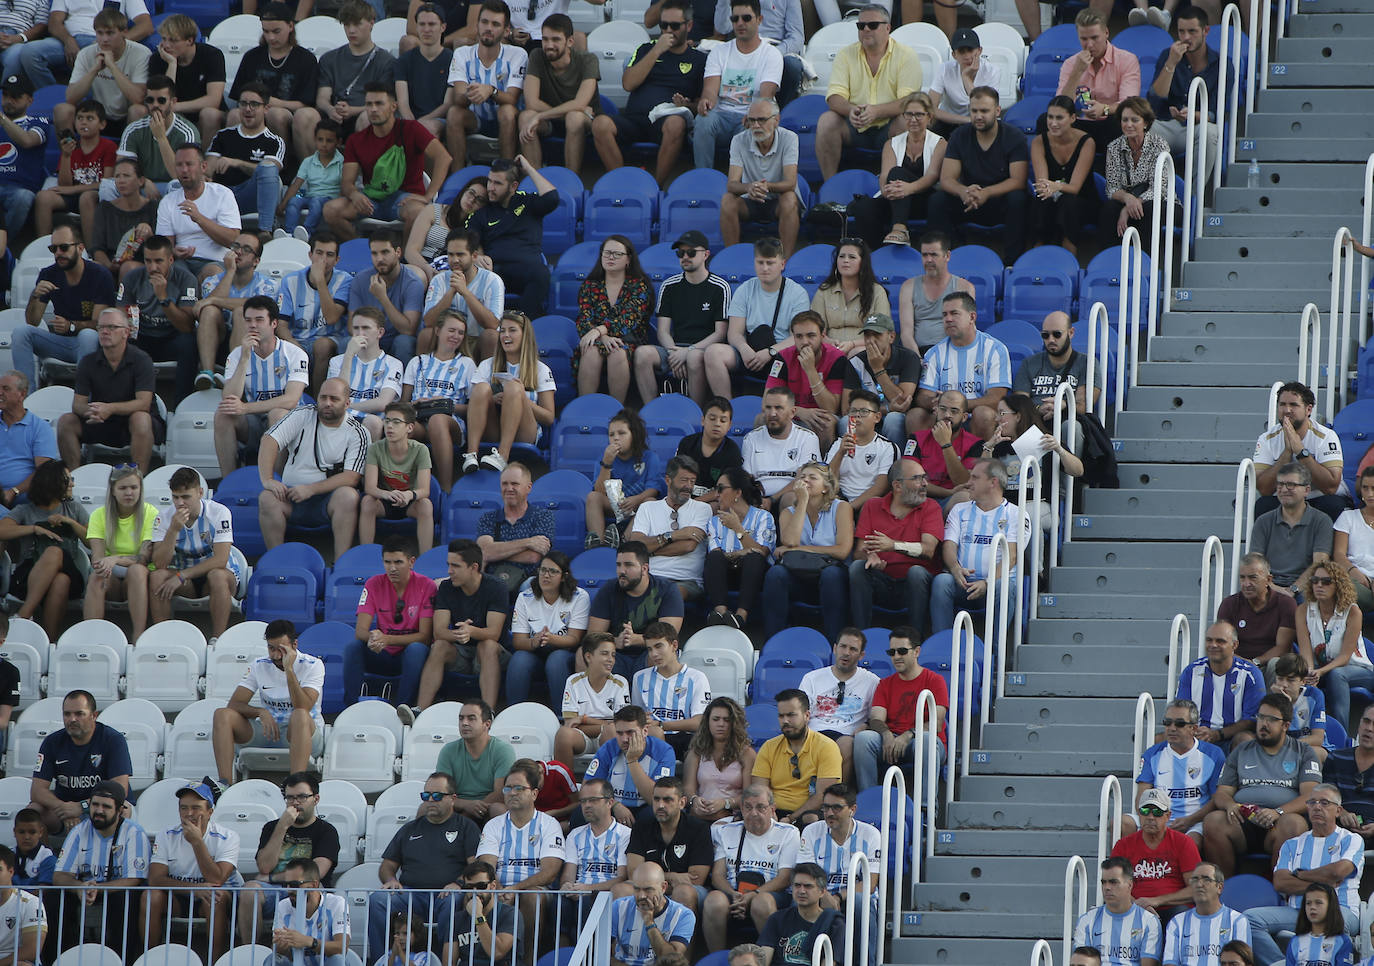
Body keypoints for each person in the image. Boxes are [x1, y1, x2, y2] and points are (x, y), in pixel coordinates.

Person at [1201, 692, 1321, 877]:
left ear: (1286, 725)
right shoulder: (1241, 751)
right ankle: (1224, 889)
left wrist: (1278, 812)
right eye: (1261, 717)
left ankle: (1280, 889)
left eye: (1271, 719)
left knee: (1294, 824)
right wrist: (1230, 805)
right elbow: (1222, 793)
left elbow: (1310, 797)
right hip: (1244, 820)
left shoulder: (1303, 752)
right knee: (1213, 821)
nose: (1263, 724)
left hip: (1280, 821)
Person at [368, 773, 481, 962]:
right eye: (425, 796)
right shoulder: (410, 829)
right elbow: (387, 866)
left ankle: (446, 962)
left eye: (437, 796)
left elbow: (475, 867)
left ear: (452, 799)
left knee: (452, 901)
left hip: (446, 894)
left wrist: (459, 883)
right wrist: (391, 880)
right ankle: (382, 961)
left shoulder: (466, 827)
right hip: (411, 894)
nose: (430, 800)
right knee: (378, 900)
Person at [1244, 784, 1361, 966]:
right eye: (1312, 802)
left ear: (1338, 811)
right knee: (1250, 919)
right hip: (1298, 912)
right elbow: (1281, 882)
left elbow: (1339, 871)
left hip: (1340, 909)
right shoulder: (1292, 844)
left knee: (1335, 920)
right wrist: (1325, 886)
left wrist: (1300, 875)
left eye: (1324, 802)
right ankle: (1282, 963)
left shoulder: (1350, 839)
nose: (1317, 807)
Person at [590, 0, 705, 187]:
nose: (668, 30)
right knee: (600, 124)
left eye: (674, 26)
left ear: (689, 26)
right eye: (664, 25)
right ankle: (624, 185)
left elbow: (701, 103)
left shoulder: (699, 59)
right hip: (634, 119)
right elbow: (628, 83)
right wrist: (657, 50)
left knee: (676, 123)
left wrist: (686, 106)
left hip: (667, 121)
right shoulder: (645, 49)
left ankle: (655, 188)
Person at [326, 83, 451, 247]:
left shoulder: (412, 129)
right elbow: (347, 183)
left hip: (405, 198)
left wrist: (428, 196)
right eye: (369, 104)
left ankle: (404, 261)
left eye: (379, 103)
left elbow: (444, 157)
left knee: (419, 213)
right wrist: (355, 195)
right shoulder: (356, 140)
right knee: (331, 210)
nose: (373, 109)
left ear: (393, 106)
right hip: (372, 199)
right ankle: (365, 253)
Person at [257, 378, 369, 561]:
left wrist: (310, 489)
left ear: (347, 403)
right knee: (267, 497)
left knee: (349, 496)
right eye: (323, 397)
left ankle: (340, 564)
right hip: (290, 495)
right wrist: (267, 480)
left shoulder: (358, 432)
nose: (327, 403)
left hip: (328, 500)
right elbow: (269, 440)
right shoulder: (302, 414)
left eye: (334, 399)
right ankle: (275, 560)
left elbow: (352, 477)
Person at [212, 620, 325, 785]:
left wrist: (289, 670)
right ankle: (224, 784)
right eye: (271, 648)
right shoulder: (259, 665)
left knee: (299, 715)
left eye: (281, 649)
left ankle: (296, 786)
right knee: (222, 715)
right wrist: (260, 712)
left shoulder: (313, 665)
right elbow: (234, 704)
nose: (275, 655)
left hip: (302, 733)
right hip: (268, 729)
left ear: (294, 645)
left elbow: (303, 707)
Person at [815, 6, 921, 183]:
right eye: (861, 26)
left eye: (872, 25)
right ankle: (829, 186)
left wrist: (876, 111)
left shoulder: (906, 55)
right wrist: (851, 110)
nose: (865, 29)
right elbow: (834, 97)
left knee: (907, 120)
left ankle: (900, 184)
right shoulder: (845, 54)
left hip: (889, 125)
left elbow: (909, 102)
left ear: (887, 28)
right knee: (827, 121)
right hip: (854, 125)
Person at [237, 773, 341, 949]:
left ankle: (307, 950)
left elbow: (315, 872)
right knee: (249, 891)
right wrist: (282, 827)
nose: (295, 802)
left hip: (308, 889)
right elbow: (265, 866)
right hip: (275, 891)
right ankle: (250, 952)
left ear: (315, 799)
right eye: (290, 797)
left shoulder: (327, 831)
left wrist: (271, 878)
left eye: (301, 796)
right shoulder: (272, 827)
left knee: (308, 888)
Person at [142, 780, 241, 962]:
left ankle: (215, 961)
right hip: (179, 896)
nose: (189, 814)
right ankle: (151, 959)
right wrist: (195, 888)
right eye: (183, 808)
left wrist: (197, 842)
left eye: (196, 808)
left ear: (210, 812)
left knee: (214, 896)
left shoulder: (228, 837)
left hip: (216, 899)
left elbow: (217, 878)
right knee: (150, 896)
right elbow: (155, 879)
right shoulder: (166, 835)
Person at [51, 780, 149, 959]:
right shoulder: (79, 831)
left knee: (125, 898)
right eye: (95, 804)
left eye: (106, 806)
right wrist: (79, 888)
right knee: (54, 897)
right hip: (84, 888)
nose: (99, 811)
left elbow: (134, 879)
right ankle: (57, 959)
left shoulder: (134, 833)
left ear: (120, 810)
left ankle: (123, 959)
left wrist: (96, 888)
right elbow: (59, 876)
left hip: (114, 892)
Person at [214, 295, 308, 478]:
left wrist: (246, 407)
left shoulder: (295, 354)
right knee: (223, 414)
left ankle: (275, 480)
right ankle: (230, 481)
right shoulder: (237, 355)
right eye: (248, 320)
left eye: (259, 320)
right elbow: (229, 396)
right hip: (253, 422)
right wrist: (244, 359)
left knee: (277, 414)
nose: (252, 325)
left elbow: (291, 399)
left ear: (273, 323)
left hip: (290, 420)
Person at [928, 86, 1028, 261]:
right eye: (974, 111)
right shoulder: (959, 135)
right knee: (938, 201)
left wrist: (986, 192)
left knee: (1018, 199)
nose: (978, 116)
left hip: (999, 199)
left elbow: (1018, 180)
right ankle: (949, 256)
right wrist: (963, 191)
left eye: (984, 111)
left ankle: (1013, 262)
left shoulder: (1014, 136)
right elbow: (946, 179)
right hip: (969, 199)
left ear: (997, 111)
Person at [13, 224, 114, 391]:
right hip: (61, 343)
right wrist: (35, 295)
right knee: (21, 333)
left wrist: (71, 325)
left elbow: (101, 324)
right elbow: (32, 322)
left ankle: (84, 400)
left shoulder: (99, 275)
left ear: (80, 248)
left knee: (87, 335)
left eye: (64, 247)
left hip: (94, 344)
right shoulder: (48, 274)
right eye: (54, 248)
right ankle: (26, 399)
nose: (58, 253)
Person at [635, 231, 730, 406]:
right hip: (674, 348)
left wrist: (689, 351)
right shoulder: (669, 285)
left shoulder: (720, 287)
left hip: (704, 349)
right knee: (642, 354)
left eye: (691, 252)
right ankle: (652, 410)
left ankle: (696, 412)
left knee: (694, 357)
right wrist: (674, 353)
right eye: (681, 253)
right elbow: (663, 331)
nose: (685, 257)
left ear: (706, 255)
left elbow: (720, 333)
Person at [413, 538, 508, 713]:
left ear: (474, 567)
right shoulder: (447, 588)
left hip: (492, 654)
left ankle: (489, 712)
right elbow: (439, 631)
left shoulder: (497, 588)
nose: (449, 571)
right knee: (439, 646)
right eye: (449, 565)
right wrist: (460, 634)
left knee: (487, 645)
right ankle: (420, 711)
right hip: (460, 652)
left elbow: (494, 633)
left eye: (455, 566)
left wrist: (470, 631)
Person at [762, 462, 854, 641]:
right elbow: (790, 541)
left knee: (832, 575)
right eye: (802, 477)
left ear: (826, 488)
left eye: (812, 478)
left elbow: (842, 551)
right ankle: (773, 641)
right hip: (799, 575)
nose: (805, 481)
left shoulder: (841, 508)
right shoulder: (788, 512)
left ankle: (834, 641)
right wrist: (802, 502)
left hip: (830, 574)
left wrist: (800, 549)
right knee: (775, 573)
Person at [702, 784, 800, 952]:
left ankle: (773, 960)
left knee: (761, 902)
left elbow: (785, 878)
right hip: (734, 892)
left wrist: (753, 895)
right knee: (713, 900)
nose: (754, 813)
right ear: (741, 808)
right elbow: (718, 875)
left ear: (772, 809)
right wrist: (735, 895)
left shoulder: (788, 833)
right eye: (748, 807)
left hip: (771, 894)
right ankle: (716, 959)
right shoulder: (726, 831)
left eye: (761, 807)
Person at [475, 760, 566, 939]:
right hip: (498, 888)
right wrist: (500, 890)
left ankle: (528, 959)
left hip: (535, 889)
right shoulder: (494, 825)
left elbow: (550, 873)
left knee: (532, 896)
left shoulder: (549, 824)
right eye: (507, 788)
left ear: (534, 793)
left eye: (519, 788)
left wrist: (516, 889)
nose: (512, 793)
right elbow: (487, 868)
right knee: (476, 896)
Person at [0, 462, 91, 640]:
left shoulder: (74, 509)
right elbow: (2, 530)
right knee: (60, 580)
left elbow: (91, 541)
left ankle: (24, 614)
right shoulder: (25, 510)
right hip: (28, 575)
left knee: (54, 554)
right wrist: (34, 529)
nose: (72, 483)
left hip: (71, 571)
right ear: (52, 482)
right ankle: (49, 642)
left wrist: (70, 522)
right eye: (67, 480)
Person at [849, 460, 943, 631]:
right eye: (917, 478)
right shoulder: (872, 505)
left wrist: (893, 545)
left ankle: (917, 638)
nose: (925, 484)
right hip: (882, 580)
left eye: (924, 477)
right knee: (857, 567)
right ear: (898, 486)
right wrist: (870, 557)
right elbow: (858, 552)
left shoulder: (931, 507)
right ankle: (860, 635)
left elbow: (928, 550)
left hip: (915, 585)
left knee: (916, 572)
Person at [932, 459, 1023, 632]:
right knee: (942, 581)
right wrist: (954, 568)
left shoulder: (1016, 514)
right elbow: (949, 545)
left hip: (994, 586)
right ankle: (941, 645)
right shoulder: (959, 509)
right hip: (962, 582)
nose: (968, 483)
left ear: (993, 482)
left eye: (975, 478)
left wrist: (987, 582)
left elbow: (1011, 556)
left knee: (1003, 586)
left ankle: (997, 653)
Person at [847, 91, 944, 251]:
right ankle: (876, 256)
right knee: (864, 207)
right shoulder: (891, 143)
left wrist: (909, 188)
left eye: (919, 115)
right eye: (909, 114)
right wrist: (889, 191)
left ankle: (900, 228)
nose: (913, 119)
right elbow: (884, 177)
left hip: (923, 200)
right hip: (895, 198)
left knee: (897, 173)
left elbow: (933, 176)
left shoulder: (939, 143)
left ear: (929, 117)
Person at [148, 467, 238, 641]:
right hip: (186, 581)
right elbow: (159, 563)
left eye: (186, 497)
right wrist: (173, 530)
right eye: (176, 497)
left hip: (219, 576)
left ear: (200, 492)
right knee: (157, 576)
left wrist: (182, 575)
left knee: (217, 575)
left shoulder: (219, 512)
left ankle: (218, 640)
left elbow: (220, 559)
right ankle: (161, 638)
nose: (180, 503)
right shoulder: (164, 518)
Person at [461, 311, 556, 474]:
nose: (506, 335)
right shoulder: (486, 365)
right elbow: (473, 404)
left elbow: (549, 418)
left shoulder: (540, 369)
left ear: (524, 335)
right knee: (482, 388)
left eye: (512, 330)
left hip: (524, 432)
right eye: (502, 331)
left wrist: (520, 398)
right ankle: (471, 455)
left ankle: (502, 456)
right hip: (492, 427)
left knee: (513, 387)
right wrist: (492, 398)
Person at [692, 0, 782, 170]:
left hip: (750, 116)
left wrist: (752, 116)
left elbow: (765, 97)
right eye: (735, 19)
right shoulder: (719, 51)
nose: (740, 23)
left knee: (753, 124)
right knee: (703, 120)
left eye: (746, 18)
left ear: (759, 19)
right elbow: (710, 90)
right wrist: (705, 101)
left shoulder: (771, 54)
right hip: (721, 115)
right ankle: (703, 176)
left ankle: (741, 183)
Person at [348, 537, 437, 707]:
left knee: (417, 649)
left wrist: (388, 639)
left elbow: (425, 637)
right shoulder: (373, 583)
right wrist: (373, 638)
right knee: (353, 647)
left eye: (398, 562)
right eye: (387, 562)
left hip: (410, 655)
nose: (392, 568)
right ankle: (352, 706)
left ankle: (404, 708)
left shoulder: (427, 585)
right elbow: (360, 631)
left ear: (411, 562)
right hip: (382, 652)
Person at [112, 232, 200, 403]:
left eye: (158, 261)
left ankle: (182, 403)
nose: (152, 267)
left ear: (171, 260)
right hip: (142, 336)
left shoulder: (186, 279)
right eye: (148, 261)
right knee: (117, 337)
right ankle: (121, 399)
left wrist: (163, 299)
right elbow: (121, 315)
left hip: (172, 337)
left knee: (189, 342)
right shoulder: (133, 277)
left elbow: (186, 326)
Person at [854, 627, 948, 786]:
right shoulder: (885, 684)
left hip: (921, 742)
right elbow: (876, 718)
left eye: (902, 651)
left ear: (916, 652)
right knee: (864, 739)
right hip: (890, 741)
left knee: (926, 740)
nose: (896, 657)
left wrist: (908, 734)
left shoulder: (934, 680)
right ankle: (867, 799)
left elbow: (937, 723)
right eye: (892, 652)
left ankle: (925, 807)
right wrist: (886, 733)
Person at [228, 4, 321, 163]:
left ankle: (283, 165)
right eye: (266, 31)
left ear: (290, 26)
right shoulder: (252, 56)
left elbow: (308, 103)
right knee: (234, 115)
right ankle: (235, 168)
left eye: (276, 31)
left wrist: (277, 103)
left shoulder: (305, 59)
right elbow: (239, 94)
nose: (271, 37)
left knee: (276, 114)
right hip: (255, 108)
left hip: (288, 113)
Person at [467, 158, 559, 316]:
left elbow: (552, 198)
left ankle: (523, 324)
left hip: (527, 269)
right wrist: (479, 255)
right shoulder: (481, 213)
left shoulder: (528, 202)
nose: (490, 188)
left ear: (513, 186)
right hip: (495, 270)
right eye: (489, 181)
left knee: (541, 273)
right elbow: (471, 240)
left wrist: (529, 168)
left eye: (497, 183)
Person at [913, 292, 1010, 440]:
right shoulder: (934, 353)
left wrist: (955, 407)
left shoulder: (995, 349)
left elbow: (996, 398)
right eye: (944, 315)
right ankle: (923, 462)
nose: (948, 319)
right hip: (943, 416)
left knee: (983, 413)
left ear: (972, 317)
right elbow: (923, 396)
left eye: (954, 313)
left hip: (975, 415)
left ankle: (980, 461)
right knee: (916, 415)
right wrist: (934, 403)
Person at [444, 1, 527, 168]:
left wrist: (490, 90)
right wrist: (472, 93)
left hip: (509, 120)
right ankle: (457, 177)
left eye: (495, 24)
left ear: (506, 31)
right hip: (476, 119)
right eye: (484, 22)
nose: (488, 28)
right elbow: (458, 99)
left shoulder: (518, 54)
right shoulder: (462, 53)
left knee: (507, 111)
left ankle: (507, 173)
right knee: (454, 113)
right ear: (477, 24)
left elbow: (512, 98)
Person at [1131, 699, 1226, 844]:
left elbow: (1216, 799)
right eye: (1167, 723)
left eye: (1180, 724)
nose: (1172, 728)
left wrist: (1189, 821)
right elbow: (1141, 797)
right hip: (1157, 818)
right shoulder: (1152, 754)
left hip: (1194, 821)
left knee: (1190, 842)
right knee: (1123, 823)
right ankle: (1117, 866)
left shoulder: (1213, 755)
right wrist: (1154, 820)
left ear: (1194, 728)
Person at [586, 543, 686, 678]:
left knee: (663, 651)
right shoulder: (608, 589)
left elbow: (669, 636)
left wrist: (636, 639)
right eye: (618, 565)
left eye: (628, 565)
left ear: (644, 568)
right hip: (616, 653)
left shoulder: (667, 589)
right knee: (586, 653)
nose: (621, 571)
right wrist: (615, 641)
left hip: (649, 653)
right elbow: (593, 636)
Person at [1253, 383, 1348, 523]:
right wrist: (1287, 453)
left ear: (1308, 409)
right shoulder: (1267, 439)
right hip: (1285, 499)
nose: (1287, 410)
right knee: (1264, 505)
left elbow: (1331, 487)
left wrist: (1301, 452)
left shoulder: (1326, 436)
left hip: (1320, 499)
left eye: (1294, 405)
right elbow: (1264, 489)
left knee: (1333, 504)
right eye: (1282, 404)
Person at [1149, 6, 1223, 183]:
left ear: (1206, 31)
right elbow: (1154, 101)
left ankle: (1194, 196)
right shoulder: (1168, 55)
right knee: (1139, 127)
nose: (1186, 37)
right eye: (1181, 31)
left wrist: (1193, 114)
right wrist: (1171, 64)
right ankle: (1151, 191)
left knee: (1211, 131)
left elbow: (1215, 112)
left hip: (1196, 127)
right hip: (1166, 123)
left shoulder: (1221, 64)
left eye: (1192, 31)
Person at [195, 234, 281, 388]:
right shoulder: (212, 281)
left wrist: (214, 300)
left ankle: (233, 375)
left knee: (242, 312)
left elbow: (257, 307)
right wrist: (229, 272)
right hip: (216, 337)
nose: (238, 252)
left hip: (253, 341)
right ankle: (207, 374)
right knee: (209, 311)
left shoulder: (268, 285)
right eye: (235, 247)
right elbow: (203, 308)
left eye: (246, 249)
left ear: (256, 261)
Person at [402, 315, 476, 493]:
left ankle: (446, 489)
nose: (456, 336)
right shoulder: (417, 362)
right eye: (451, 330)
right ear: (437, 331)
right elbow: (403, 405)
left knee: (437, 420)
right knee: (399, 426)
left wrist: (444, 405)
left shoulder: (467, 364)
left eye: (460, 333)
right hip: (419, 420)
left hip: (451, 423)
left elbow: (474, 410)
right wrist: (416, 403)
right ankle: (400, 487)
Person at [517, 14, 598, 174]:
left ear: (570, 41)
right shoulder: (537, 55)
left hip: (584, 120)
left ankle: (571, 179)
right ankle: (535, 180)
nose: (549, 45)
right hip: (552, 119)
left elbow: (580, 104)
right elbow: (532, 102)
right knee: (526, 116)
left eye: (555, 39)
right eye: (545, 39)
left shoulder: (588, 60)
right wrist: (558, 113)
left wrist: (541, 116)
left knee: (574, 117)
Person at [507, 550, 589, 707]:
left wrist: (550, 638)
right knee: (519, 660)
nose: (546, 575)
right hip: (535, 651)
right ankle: (513, 713)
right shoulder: (525, 597)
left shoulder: (579, 597)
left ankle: (563, 715)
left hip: (566, 653)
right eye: (543, 570)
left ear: (564, 576)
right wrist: (534, 642)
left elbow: (574, 639)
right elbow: (518, 641)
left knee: (556, 660)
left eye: (553, 571)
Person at [576, 236, 654, 401]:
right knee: (590, 351)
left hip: (630, 341)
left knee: (617, 352)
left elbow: (628, 319)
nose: (611, 257)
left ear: (628, 259)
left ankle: (616, 409)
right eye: (607, 253)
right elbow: (584, 319)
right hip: (596, 341)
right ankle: (584, 407)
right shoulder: (590, 285)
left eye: (617, 254)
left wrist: (599, 330)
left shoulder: (639, 286)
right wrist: (602, 336)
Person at [721, 98, 801, 258]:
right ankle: (731, 258)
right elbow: (732, 184)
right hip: (750, 200)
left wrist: (765, 186)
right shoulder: (738, 140)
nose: (756, 125)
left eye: (762, 120)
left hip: (778, 201)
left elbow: (790, 183)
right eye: (752, 120)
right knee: (727, 200)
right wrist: (749, 188)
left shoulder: (789, 138)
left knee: (790, 199)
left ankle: (786, 260)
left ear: (776, 120)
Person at [1294, 561, 1368, 734]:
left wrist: (1320, 672)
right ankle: (1301, 731)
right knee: (1300, 675)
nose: (1319, 585)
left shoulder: (1353, 612)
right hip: (1323, 668)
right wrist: (1311, 671)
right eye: (1315, 580)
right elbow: (1305, 651)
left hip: (1357, 668)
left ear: (1338, 585)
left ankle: (1340, 735)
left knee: (1337, 675)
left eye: (1326, 581)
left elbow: (1344, 657)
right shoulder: (1302, 610)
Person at [83, 464, 155, 639]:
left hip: (140, 576)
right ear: (113, 491)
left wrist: (115, 559)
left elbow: (143, 559)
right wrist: (109, 562)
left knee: (137, 570)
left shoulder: (150, 512)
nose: (129, 492)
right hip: (111, 576)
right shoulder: (99, 515)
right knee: (96, 576)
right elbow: (98, 560)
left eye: (134, 487)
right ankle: (90, 636)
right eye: (123, 488)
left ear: (140, 489)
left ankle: (138, 635)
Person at [622, 777, 714, 913]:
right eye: (656, 799)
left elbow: (696, 879)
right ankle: (626, 934)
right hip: (648, 888)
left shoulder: (698, 828)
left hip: (691, 891)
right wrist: (672, 877)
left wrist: (655, 882)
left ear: (682, 803)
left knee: (683, 891)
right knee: (621, 889)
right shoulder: (642, 826)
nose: (660, 805)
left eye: (667, 800)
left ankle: (680, 935)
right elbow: (634, 873)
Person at [156, 142, 241, 287]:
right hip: (181, 262)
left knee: (212, 274)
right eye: (179, 165)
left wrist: (199, 218)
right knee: (170, 273)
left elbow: (232, 240)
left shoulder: (222, 194)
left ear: (203, 167)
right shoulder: (168, 202)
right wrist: (174, 252)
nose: (184, 170)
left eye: (189, 164)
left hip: (214, 260)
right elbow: (165, 246)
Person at [626, 456, 712, 599]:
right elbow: (636, 547)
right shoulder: (647, 507)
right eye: (684, 480)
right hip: (649, 577)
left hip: (685, 581)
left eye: (692, 481)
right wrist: (674, 535)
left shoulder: (703, 509)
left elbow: (688, 546)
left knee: (668, 595)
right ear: (668, 480)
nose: (689, 486)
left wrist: (650, 552)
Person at [1057, 9, 1140, 156]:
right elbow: (1060, 106)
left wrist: (1105, 109)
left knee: (1121, 120)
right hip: (1080, 124)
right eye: (1084, 39)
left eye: (1094, 38)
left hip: (1109, 122)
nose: (1089, 45)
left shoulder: (1127, 60)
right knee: (1047, 121)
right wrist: (1077, 72)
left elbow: (1129, 104)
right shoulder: (1071, 64)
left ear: (1106, 33)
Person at [753, 690, 842, 827]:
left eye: (791, 715)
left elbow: (823, 796)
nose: (785, 721)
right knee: (746, 816)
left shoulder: (826, 747)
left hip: (809, 812)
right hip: (773, 811)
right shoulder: (769, 747)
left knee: (811, 819)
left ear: (807, 715)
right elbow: (759, 789)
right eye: (781, 716)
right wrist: (768, 812)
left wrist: (790, 818)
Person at [205, 84, 286, 236]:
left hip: (249, 196)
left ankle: (265, 232)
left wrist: (237, 163)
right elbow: (208, 169)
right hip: (221, 195)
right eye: (243, 104)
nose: (248, 109)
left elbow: (271, 172)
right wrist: (207, 175)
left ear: (266, 108)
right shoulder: (223, 136)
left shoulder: (274, 141)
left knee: (268, 169)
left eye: (254, 104)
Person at [277, 231, 354, 387]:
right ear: (310, 254)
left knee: (322, 345)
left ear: (337, 260)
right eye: (319, 253)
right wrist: (294, 346)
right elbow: (281, 324)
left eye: (330, 255)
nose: (323, 259)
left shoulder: (345, 280)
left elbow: (332, 318)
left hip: (331, 338)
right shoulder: (290, 280)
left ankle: (319, 400)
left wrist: (320, 281)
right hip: (298, 339)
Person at [703, 466, 775, 629]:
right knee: (714, 559)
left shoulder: (763, 517)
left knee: (754, 559)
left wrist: (738, 529)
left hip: (754, 574)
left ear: (738, 493)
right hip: (726, 573)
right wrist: (742, 551)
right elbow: (716, 553)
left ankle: (740, 617)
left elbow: (761, 552)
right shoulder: (714, 521)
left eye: (721, 489)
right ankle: (721, 614)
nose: (716, 495)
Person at [1110, 789, 1201, 917]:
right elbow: (1113, 884)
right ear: (1139, 813)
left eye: (1157, 812)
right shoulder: (1123, 845)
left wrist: (1157, 901)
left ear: (1168, 816)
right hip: (1132, 908)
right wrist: (1138, 906)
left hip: (1173, 909)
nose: (1150, 817)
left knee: (1180, 917)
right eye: (1145, 811)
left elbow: (1196, 888)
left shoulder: (1183, 842)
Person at [1174, 622, 1264, 751]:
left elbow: (1250, 721)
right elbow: (1181, 712)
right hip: (1196, 737)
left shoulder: (1250, 674)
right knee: (1160, 739)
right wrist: (1195, 732)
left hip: (1231, 738)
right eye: (1209, 640)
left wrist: (1217, 734)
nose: (1213, 645)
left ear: (1234, 645)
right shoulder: (1191, 671)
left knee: (1245, 739)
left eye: (1220, 641)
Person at [764, 311, 847, 450]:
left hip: (820, 416)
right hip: (791, 415)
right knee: (761, 419)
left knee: (826, 422)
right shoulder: (782, 358)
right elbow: (767, 401)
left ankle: (821, 469)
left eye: (811, 335)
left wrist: (810, 370)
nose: (805, 342)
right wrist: (798, 411)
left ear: (823, 335)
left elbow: (831, 408)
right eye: (799, 336)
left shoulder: (837, 358)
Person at [359, 402, 435, 552]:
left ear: (410, 427)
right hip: (384, 499)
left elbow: (425, 490)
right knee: (367, 501)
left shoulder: (421, 450)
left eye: (396, 422)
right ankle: (365, 553)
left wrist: (409, 495)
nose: (389, 426)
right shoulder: (375, 448)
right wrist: (387, 494)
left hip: (409, 502)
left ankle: (426, 556)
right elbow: (370, 487)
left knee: (426, 504)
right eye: (387, 421)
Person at [315, 1, 397, 140]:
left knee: (368, 116)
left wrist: (353, 111)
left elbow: (384, 102)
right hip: (334, 116)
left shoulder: (386, 61)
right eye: (347, 25)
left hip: (365, 113)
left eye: (357, 24)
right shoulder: (329, 58)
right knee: (305, 116)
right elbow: (322, 97)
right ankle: (311, 162)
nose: (351, 30)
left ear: (371, 23)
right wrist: (331, 109)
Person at [584, 705, 677, 826]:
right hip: (612, 806)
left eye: (630, 732)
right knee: (581, 813)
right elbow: (587, 788)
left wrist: (632, 760)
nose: (624, 739)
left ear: (645, 731)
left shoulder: (663, 751)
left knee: (655, 814)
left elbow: (658, 799)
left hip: (646, 807)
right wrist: (614, 805)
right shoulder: (609, 748)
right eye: (619, 733)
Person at [1101, 98, 1175, 250]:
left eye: (1134, 120)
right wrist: (1128, 199)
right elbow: (1112, 188)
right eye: (1125, 120)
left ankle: (1146, 264)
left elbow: (1159, 188)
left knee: (1148, 210)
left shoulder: (1159, 145)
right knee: (1109, 209)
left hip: (1160, 200)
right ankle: (1111, 260)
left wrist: (1130, 206)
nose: (1129, 125)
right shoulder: (1114, 147)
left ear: (1146, 123)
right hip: (1128, 200)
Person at [38, 99, 117, 240]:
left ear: (102, 124)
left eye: (90, 118)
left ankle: (91, 251)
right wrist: (66, 156)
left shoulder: (108, 146)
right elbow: (64, 185)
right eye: (80, 118)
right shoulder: (71, 145)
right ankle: (43, 246)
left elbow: (107, 182)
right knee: (43, 197)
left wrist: (74, 190)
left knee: (85, 198)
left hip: (95, 196)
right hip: (73, 195)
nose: (83, 122)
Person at [345, 233, 426, 368]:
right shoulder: (360, 280)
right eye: (374, 253)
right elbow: (351, 326)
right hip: (369, 337)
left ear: (398, 252)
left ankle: (402, 387)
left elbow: (408, 330)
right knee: (347, 343)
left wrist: (383, 298)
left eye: (385, 252)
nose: (380, 259)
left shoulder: (412, 283)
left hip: (397, 338)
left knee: (404, 342)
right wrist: (371, 339)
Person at [1252, 462, 1335, 593]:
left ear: (1306, 490)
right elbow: (1254, 564)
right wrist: (1273, 588)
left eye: (1291, 485)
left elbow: (1319, 564)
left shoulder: (1322, 521)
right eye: (1280, 484)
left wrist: (1293, 590)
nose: (1284, 489)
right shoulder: (1263, 521)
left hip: (1307, 588)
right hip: (1268, 587)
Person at [630, 622, 709, 755]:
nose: (654, 654)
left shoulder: (697, 678)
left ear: (674, 645)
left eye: (658, 646)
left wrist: (661, 725)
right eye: (649, 649)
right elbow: (637, 717)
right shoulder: (640, 677)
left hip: (686, 739)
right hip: (650, 737)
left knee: (698, 746)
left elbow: (699, 722)